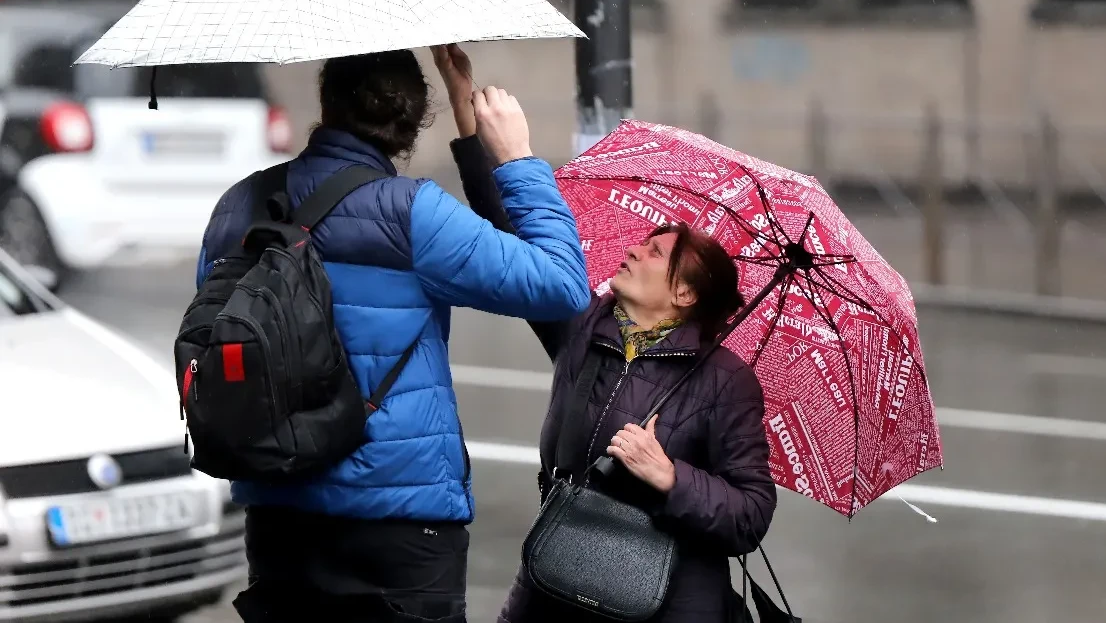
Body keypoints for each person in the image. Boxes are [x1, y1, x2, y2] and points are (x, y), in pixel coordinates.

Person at [194, 47, 592, 622]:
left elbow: (211, 327)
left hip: (279, 510)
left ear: (326, 102)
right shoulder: (410, 213)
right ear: (411, 122)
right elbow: (560, 284)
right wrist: (516, 157)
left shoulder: (239, 205)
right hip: (402, 522)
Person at [437, 44, 778, 622]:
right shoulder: (583, 325)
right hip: (556, 580)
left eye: (652, 254)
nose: (631, 253)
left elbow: (749, 514)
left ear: (685, 295)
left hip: (666, 603)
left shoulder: (725, 381)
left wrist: (671, 476)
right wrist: (464, 107)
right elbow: (507, 226)